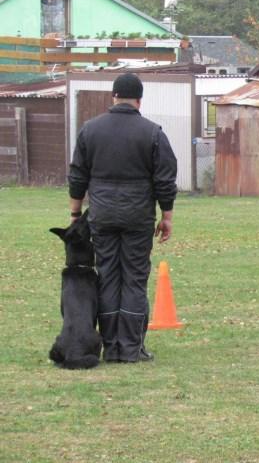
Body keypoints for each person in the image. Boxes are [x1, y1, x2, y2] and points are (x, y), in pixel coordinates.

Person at [68, 72, 177, 363]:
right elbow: (165, 179)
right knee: (134, 278)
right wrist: (166, 215)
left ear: (113, 97)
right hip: (138, 217)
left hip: (101, 215)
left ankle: (110, 346)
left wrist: (76, 213)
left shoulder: (90, 130)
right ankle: (130, 348)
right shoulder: (153, 132)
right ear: (139, 100)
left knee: (107, 277)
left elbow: (78, 175)